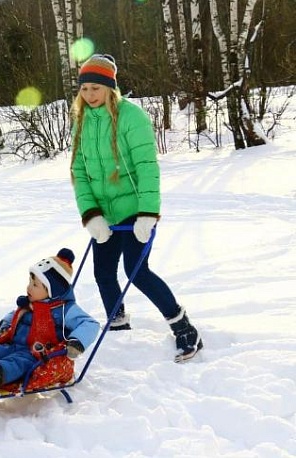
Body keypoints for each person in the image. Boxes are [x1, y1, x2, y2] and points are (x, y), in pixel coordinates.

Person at [69, 54, 203, 362]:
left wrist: (147, 213)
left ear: (110, 88)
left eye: (96, 88)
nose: (89, 95)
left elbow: (147, 168)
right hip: (104, 214)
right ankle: (118, 329)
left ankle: (184, 329)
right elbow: (79, 171)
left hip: (134, 210)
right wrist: (91, 215)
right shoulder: (81, 120)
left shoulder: (132, 117)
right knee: (103, 272)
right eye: (84, 88)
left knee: (136, 271)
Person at [0, 248, 99, 393]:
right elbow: (15, 314)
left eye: (35, 285)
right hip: (14, 344)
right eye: (30, 282)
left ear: (52, 291)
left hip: (36, 354)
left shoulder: (65, 309)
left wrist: (77, 341)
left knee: (17, 362)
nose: (29, 288)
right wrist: (6, 324)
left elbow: (90, 324)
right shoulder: (30, 304)